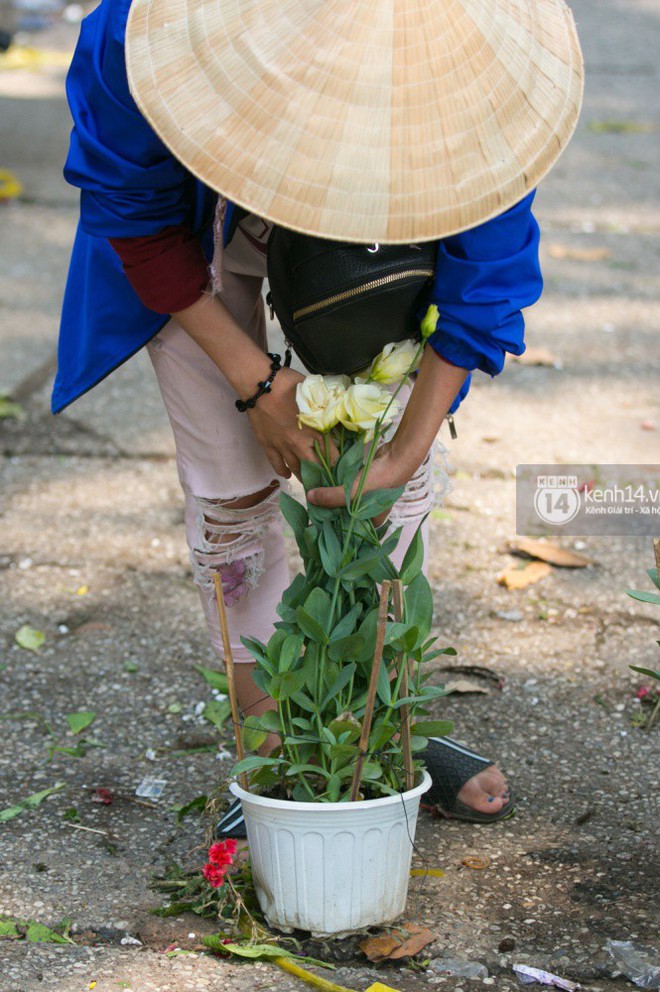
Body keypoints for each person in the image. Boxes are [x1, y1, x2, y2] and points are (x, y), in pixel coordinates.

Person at [54, 0, 583, 834]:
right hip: (204, 220)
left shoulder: (475, 80)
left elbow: (484, 282)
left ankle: (379, 735)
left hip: (387, 230)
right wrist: (259, 386)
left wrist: (405, 453)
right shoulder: (143, 35)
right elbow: (142, 221)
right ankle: (270, 752)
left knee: (389, 501)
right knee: (231, 496)